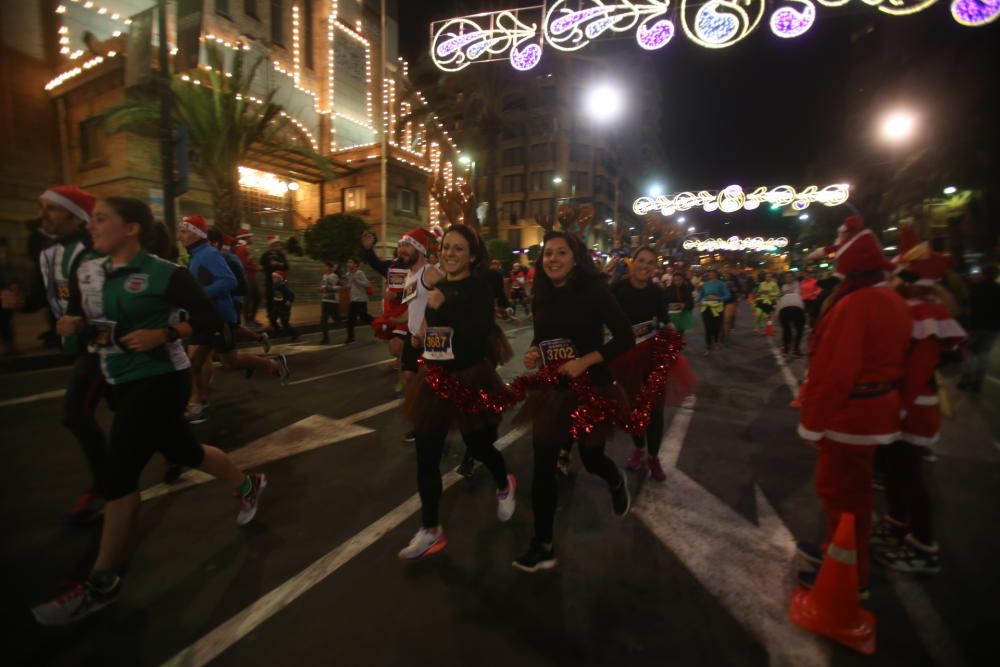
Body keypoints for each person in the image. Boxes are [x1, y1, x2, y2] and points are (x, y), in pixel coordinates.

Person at [32, 197, 266, 626]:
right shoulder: (89, 272)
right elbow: (87, 318)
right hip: (118, 378)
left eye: (102, 219)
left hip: (161, 379)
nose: (93, 226)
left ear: (132, 228)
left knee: (120, 476)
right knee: (185, 452)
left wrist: (166, 332)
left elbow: (211, 321)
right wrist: (71, 325)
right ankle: (248, 483)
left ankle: (101, 585)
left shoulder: (166, 273)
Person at [794, 216, 912, 597]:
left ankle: (848, 577)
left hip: (852, 414)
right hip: (875, 409)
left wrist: (812, 423)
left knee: (840, 493)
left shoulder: (856, 303)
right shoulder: (890, 297)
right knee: (855, 492)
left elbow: (836, 373)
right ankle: (837, 553)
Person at [513, 231, 635, 572]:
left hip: (592, 387)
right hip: (553, 391)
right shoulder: (541, 293)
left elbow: (625, 336)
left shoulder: (595, 290)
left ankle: (614, 478)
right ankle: (543, 544)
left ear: (575, 257)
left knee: (592, 458)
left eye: (561, 253)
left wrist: (585, 360)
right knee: (543, 466)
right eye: (548, 253)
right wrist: (534, 350)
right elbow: (543, 334)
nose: (552, 258)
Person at [398, 224, 517, 559]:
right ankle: (430, 529)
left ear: (472, 256)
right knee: (426, 456)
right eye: (446, 247)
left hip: (468, 377)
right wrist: (423, 333)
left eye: (458, 249)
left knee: (479, 445)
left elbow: (477, 334)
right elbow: (439, 332)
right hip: (435, 379)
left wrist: (443, 304)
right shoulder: (437, 285)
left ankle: (504, 482)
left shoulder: (478, 287)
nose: (449, 254)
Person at [1, 186, 108, 522]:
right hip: (80, 343)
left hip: (102, 345)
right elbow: (46, 294)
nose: (44, 213)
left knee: (76, 412)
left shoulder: (93, 249)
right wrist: (22, 303)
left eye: (52, 208)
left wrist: (81, 322)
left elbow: (100, 296)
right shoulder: (48, 250)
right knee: (133, 410)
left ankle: (106, 487)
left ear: (76, 217)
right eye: (42, 207)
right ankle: (178, 452)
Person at [873, 228, 965, 575]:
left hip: (914, 406)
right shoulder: (910, 306)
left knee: (910, 476)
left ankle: (924, 547)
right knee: (896, 471)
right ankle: (897, 524)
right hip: (900, 401)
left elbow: (919, 366)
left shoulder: (926, 311)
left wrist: (898, 406)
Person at [179, 216, 288, 424]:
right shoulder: (196, 255)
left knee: (231, 361)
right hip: (202, 317)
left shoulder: (209, 254)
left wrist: (200, 294)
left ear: (197, 233)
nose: (180, 235)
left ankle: (272, 363)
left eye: (184, 231)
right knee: (193, 363)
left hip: (217, 317)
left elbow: (229, 280)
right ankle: (197, 403)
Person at [361, 228, 442, 442]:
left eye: (407, 246)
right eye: (401, 246)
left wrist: (429, 324)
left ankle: (431, 424)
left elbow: (447, 300)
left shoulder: (431, 272)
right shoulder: (410, 277)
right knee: (408, 377)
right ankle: (423, 421)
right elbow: (411, 307)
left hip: (430, 339)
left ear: (420, 249)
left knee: (429, 385)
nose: (401, 250)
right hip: (412, 335)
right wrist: (397, 320)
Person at [611, 247, 675, 481]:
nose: (645, 266)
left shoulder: (656, 292)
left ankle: (654, 457)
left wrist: (675, 342)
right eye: (641, 260)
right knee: (633, 406)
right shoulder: (617, 289)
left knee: (655, 409)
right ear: (632, 262)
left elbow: (665, 320)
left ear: (654, 267)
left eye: (650, 262)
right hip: (625, 357)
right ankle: (639, 449)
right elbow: (603, 318)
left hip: (651, 355)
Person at [959, 264, 999, 392]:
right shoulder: (998, 289)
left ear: (984, 274)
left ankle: (966, 377)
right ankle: (978, 381)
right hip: (993, 326)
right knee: (984, 353)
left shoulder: (976, 288)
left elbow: (969, 306)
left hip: (976, 325)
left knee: (967, 351)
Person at [259, 236, 289, 334]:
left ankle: (284, 321)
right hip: (270, 283)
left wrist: (280, 265)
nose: (278, 246)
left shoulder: (281, 255)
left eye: (279, 245)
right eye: (276, 245)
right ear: (271, 245)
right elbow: (261, 266)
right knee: (271, 302)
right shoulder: (265, 255)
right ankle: (272, 322)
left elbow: (287, 266)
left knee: (281, 302)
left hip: (281, 283)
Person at [234, 229, 262, 327]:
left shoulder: (243, 248)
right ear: (246, 238)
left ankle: (250, 320)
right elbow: (242, 264)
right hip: (247, 278)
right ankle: (248, 321)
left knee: (254, 298)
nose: (251, 239)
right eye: (250, 237)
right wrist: (255, 267)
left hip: (250, 277)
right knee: (250, 299)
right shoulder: (242, 249)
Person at [698, 269, 730, 355]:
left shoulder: (721, 284)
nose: (710, 275)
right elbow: (700, 297)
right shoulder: (705, 284)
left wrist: (717, 298)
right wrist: (703, 299)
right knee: (708, 327)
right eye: (709, 274)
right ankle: (708, 346)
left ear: (716, 274)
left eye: (712, 273)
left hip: (717, 308)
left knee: (716, 327)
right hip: (706, 308)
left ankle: (716, 340)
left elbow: (727, 296)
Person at [776, 272, 806, 356]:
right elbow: (784, 293)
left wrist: (787, 292)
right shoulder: (783, 286)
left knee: (799, 329)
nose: (788, 278)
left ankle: (796, 349)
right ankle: (786, 347)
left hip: (797, 307)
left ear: (793, 278)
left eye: (790, 277)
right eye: (786, 277)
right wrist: (790, 292)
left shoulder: (797, 284)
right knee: (786, 329)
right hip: (785, 307)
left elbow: (794, 293)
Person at [344, 257, 372, 344]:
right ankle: (351, 338)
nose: (348, 264)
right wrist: (346, 285)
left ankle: (379, 325)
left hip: (361, 300)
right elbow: (350, 286)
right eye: (348, 262)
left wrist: (356, 281)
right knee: (350, 320)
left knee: (364, 318)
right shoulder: (348, 274)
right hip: (353, 300)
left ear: (355, 264)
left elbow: (367, 284)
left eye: (350, 262)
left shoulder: (360, 273)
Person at [664, 271, 695, 338]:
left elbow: (691, 303)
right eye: (675, 280)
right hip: (671, 317)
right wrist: (669, 307)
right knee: (671, 334)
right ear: (672, 280)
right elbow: (663, 303)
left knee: (680, 334)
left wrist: (684, 305)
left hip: (682, 316)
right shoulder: (667, 290)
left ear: (682, 280)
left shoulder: (686, 289)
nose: (677, 282)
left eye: (679, 280)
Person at [318, 260, 342, 344]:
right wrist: (321, 289)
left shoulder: (334, 276)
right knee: (323, 320)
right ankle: (325, 338)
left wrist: (330, 288)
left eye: (325, 266)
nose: (323, 268)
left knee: (336, 318)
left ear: (329, 267)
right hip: (325, 300)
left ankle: (346, 322)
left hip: (333, 301)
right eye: (323, 266)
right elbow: (323, 285)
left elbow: (338, 287)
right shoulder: (324, 276)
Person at [270, 270, 298, 340]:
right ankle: (277, 331)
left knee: (285, 323)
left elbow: (292, 295)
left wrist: (289, 301)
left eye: (275, 278)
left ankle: (295, 334)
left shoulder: (283, 286)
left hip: (284, 308)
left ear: (279, 278)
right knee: (272, 318)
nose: (273, 279)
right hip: (277, 307)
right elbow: (275, 296)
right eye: (273, 278)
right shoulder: (274, 286)